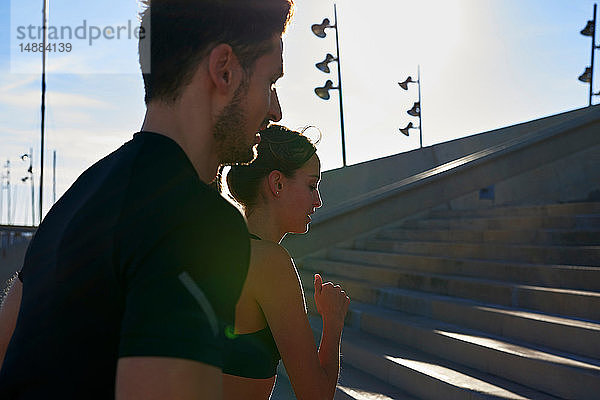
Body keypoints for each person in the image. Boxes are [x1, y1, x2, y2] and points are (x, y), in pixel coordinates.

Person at [0, 0, 295, 398]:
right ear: (224, 70)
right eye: (270, 83)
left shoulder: (78, 197)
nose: (275, 110)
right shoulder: (202, 223)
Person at [221, 124, 350, 400]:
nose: (318, 201)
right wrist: (334, 321)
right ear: (277, 184)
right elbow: (315, 395)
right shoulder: (271, 262)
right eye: (311, 185)